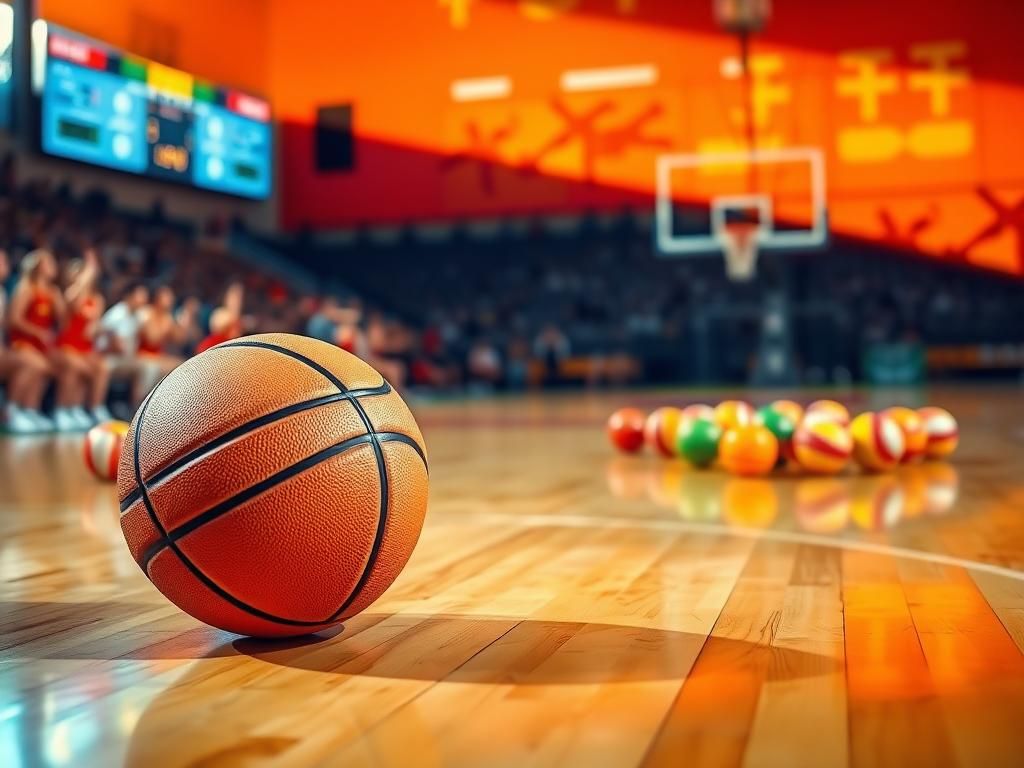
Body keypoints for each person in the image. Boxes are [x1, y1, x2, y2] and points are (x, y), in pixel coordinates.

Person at [54, 249, 112, 428]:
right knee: (77, 366)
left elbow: (91, 329)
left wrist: (98, 329)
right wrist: (88, 274)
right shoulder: (70, 294)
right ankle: (63, 409)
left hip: (85, 348)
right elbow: (74, 305)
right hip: (65, 346)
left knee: (102, 367)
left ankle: (93, 408)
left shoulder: (97, 299)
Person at [4, 249, 60, 432]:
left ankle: (30, 410)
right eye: (48, 262)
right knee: (35, 364)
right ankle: (12, 410)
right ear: (38, 267)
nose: (53, 266)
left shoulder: (51, 292)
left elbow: (63, 319)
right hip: (21, 343)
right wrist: (38, 332)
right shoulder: (27, 287)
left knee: (45, 366)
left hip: (39, 346)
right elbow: (14, 319)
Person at [97, 283, 149, 407]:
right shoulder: (117, 314)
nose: (144, 299)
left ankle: (137, 407)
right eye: (140, 295)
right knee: (145, 367)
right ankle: (98, 406)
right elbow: (117, 347)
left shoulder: (138, 315)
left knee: (149, 367)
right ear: (129, 296)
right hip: (106, 357)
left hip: (123, 359)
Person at [196, 282, 245, 353]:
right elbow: (219, 327)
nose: (238, 300)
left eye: (241, 296)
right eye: (236, 296)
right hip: (215, 350)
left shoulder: (244, 320)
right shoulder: (220, 314)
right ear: (227, 297)